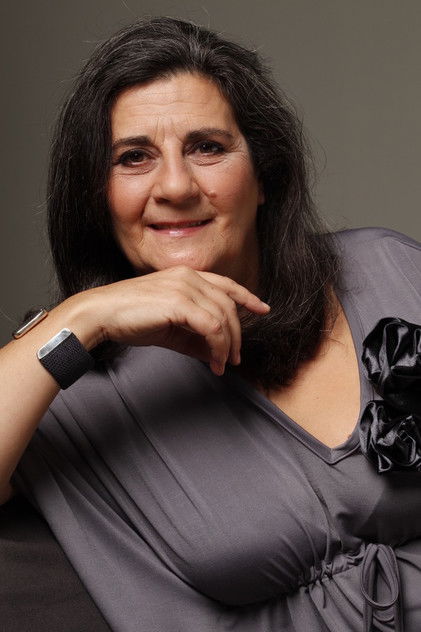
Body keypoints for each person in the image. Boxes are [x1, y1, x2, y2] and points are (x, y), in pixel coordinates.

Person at [1, 16, 421, 632]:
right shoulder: (72, 389)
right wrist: (84, 315)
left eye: (207, 148)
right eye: (134, 158)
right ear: (96, 196)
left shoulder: (389, 269)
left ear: (264, 176)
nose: (175, 186)